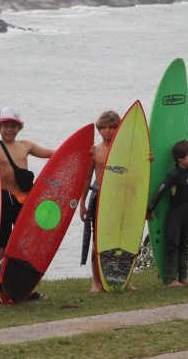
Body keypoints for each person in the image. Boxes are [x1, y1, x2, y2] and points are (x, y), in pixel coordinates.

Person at [0, 107, 54, 263]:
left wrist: (79, 149)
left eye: (13, 126)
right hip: (4, 201)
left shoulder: (26, 145)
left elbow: (52, 154)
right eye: (5, 126)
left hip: (24, 201)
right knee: (2, 243)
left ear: (19, 128)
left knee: (26, 239)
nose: (9, 129)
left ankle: (22, 275)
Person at [79, 110, 120, 292]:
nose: (108, 131)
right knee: (98, 240)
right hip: (99, 197)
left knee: (121, 240)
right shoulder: (95, 151)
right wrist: (82, 204)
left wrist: (149, 158)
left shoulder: (126, 150)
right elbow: (86, 180)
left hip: (120, 198)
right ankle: (96, 282)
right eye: (103, 128)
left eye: (112, 127)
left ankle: (122, 278)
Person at [147, 140, 188, 287]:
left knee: (184, 245)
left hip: (187, 215)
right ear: (180, 158)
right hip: (175, 215)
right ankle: (171, 278)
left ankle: (183, 276)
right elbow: (161, 191)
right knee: (172, 245)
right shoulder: (174, 175)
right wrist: (150, 209)